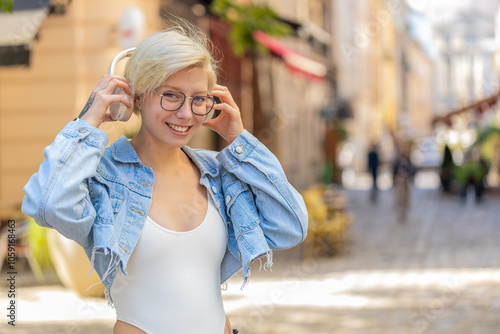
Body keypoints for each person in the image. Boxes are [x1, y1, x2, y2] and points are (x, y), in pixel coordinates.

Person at [22, 22, 308, 334]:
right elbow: (48, 205)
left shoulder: (219, 173)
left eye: (199, 98)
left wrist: (240, 142)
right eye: (171, 95)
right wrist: (87, 123)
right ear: (137, 96)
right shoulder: (103, 175)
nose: (186, 114)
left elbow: (290, 225)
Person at [392, 143, 416, 222]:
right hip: (399, 182)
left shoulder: (408, 161)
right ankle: (400, 211)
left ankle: (404, 211)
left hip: (406, 182)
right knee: (400, 198)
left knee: (406, 198)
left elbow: (412, 170)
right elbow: (394, 171)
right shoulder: (397, 161)